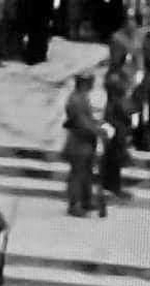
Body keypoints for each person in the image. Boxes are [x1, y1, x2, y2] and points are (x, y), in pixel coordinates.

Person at [63, 74, 105, 217]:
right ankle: (74, 204)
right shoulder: (76, 100)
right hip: (78, 142)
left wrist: (98, 126)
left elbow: (88, 119)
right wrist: (97, 130)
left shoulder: (83, 97)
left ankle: (86, 200)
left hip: (86, 141)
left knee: (87, 172)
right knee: (77, 174)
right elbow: (82, 122)